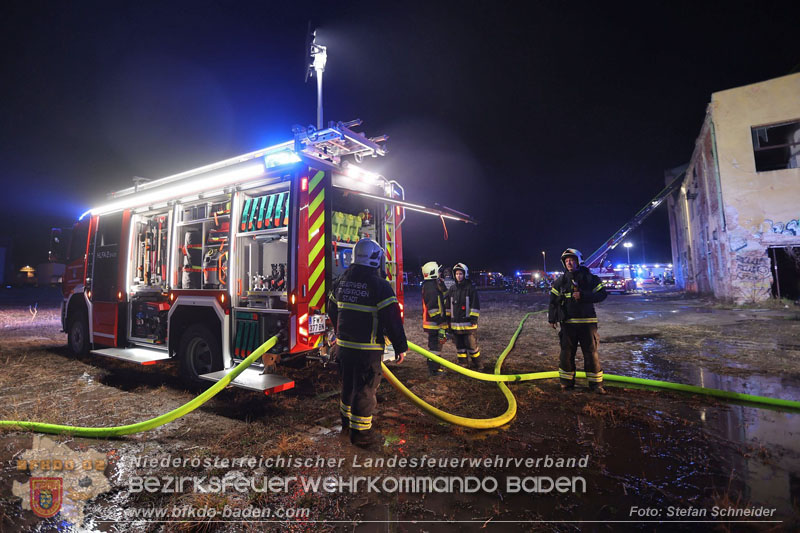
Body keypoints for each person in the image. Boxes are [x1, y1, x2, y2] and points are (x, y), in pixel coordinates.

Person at [328, 238, 408, 449]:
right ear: (375, 259)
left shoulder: (341, 281)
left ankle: (346, 426)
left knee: (348, 386)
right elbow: (392, 320)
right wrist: (400, 347)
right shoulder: (380, 286)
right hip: (367, 349)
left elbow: (332, 309)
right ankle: (362, 436)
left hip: (343, 348)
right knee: (365, 390)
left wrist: (340, 332)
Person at [548, 248, 608, 394]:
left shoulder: (590, 278)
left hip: (587, 322)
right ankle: (566, 384)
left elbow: (602, 294)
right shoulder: (560, 281)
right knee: (567, 353)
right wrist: (552, 318)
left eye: (572, 260)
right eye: (566, 260)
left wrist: (584, 296)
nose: (569, 263)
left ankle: (596, 385)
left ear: (578, 261)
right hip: (568, 323)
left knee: (590, 352)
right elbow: (553, 301)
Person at [445, 263, 481, 369]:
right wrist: (447, 319)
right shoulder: (452, 289)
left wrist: (474, 318)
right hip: (455, 325)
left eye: (460, 274)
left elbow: (475, 304)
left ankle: (478, 364)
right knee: (460, 347)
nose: (458, 276)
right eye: (456, 274)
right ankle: (463, 363)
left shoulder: (471, 288)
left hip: (468, 324)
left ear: (465, 274)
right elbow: (448, 305)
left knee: (471, 346)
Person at [420, 261, 448, 377]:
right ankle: (434, 370)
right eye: (438, 271)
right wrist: (440, 320)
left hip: (435, 323)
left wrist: (442, 285)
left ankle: (435, 367)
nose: (440, 273)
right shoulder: (430, 288)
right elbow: (433, 308)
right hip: (434, 323)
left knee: (436, 345)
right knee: (435, 347)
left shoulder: (432, 284)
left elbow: (444, 297)